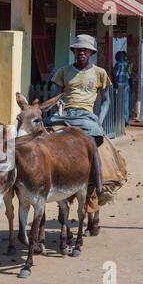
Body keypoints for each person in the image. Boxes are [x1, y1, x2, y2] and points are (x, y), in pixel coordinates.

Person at [45, 34, 113, 196]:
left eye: (85, 50)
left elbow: (106, 101)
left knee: (91, 141)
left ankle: (99, 187)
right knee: (41, 130)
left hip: (86, 116)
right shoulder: (63, 71)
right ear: (73, 51)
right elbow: (55, 97)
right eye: (78, 49)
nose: (82, 52)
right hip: (64, 114)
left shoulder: (99, 73)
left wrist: (99, 122)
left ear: (91, 53)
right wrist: (57, 105)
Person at [113, 51, 131, 126]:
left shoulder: (118, 64)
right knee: (125, 103)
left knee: (119, 103)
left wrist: (112, 70)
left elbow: (116, 74)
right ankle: (126, 120)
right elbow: (129, 74)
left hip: (119, 86)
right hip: (126, 85)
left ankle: (119, 120)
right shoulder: (127, 64)